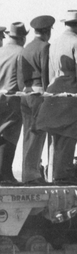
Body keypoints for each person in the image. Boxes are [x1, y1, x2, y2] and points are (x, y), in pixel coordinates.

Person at [35, 10, 77, 184]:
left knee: (58, 136)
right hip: (72, 96)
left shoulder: (55, 43)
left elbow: (50, 72)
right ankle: (64, 175)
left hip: (55, 94)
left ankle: (59, 174)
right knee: (70, 135)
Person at [17, 15, 54, 184]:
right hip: (39, 92)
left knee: (28, 134)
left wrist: (23, 90)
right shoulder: (45, 47)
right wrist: (48, 95)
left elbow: (19, 74)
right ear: (47, 31)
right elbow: (46, 73)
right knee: (37, 134)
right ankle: (32, 175)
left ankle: (27, 173)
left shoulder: (25, 48)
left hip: (25, 92)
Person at [0, 22, 27, 184]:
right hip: (12, 98)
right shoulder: (21, 53)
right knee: (10, 134)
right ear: (23, 37)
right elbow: (22, 80)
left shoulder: (1, 51)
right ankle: (6, 174)